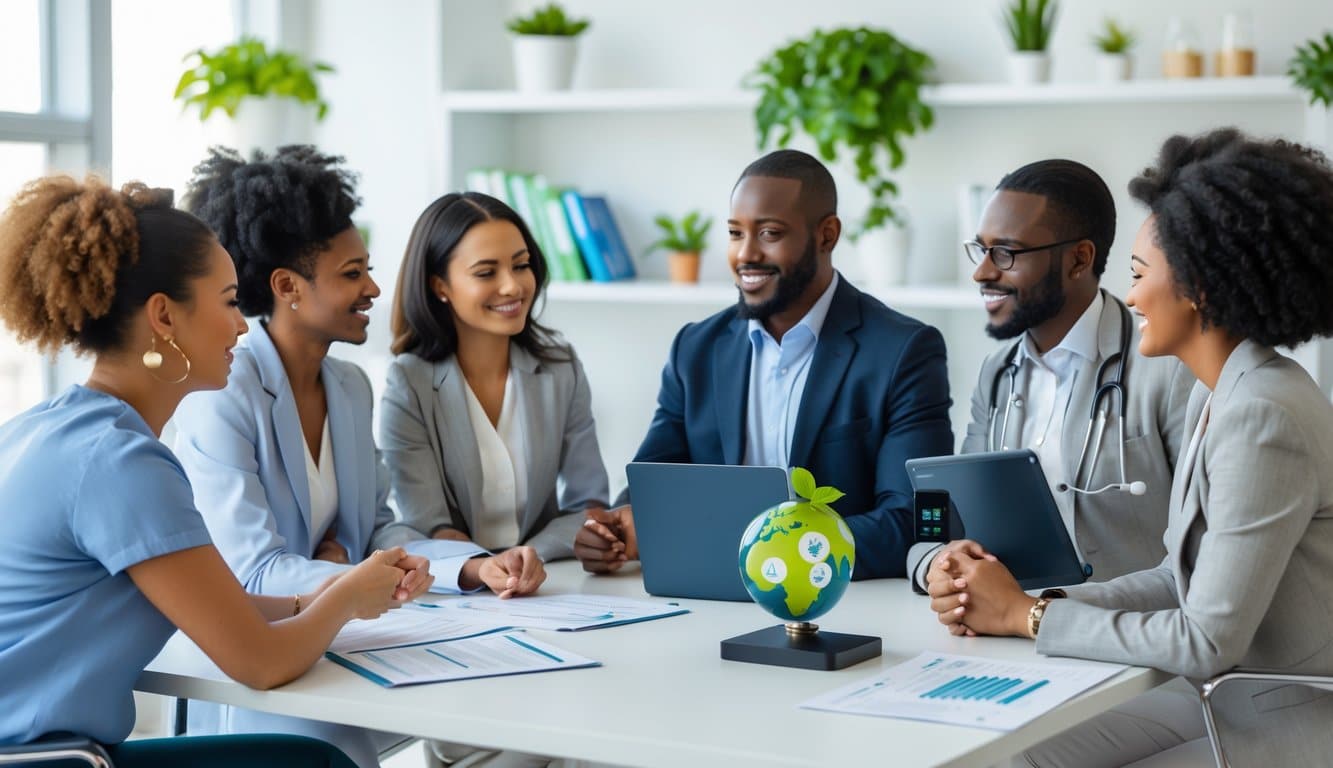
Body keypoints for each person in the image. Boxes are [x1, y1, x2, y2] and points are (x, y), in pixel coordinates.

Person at [927, 128, 1333, 767]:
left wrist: (1029, 618)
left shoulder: (1263, 416)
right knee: (1017, 757)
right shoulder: (1232, 391)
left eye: (1141, 275)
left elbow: (1205, 639)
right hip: (1218, 694)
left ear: (1200, 287)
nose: (1132, 296)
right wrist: (1023, 603)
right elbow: (1178, 576)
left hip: (1274, 714)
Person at [0, 175, 423, 766]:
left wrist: (314, 599)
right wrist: (348, 596)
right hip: (48, 762)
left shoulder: (46, 430)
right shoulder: (121, 463)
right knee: (321, 760)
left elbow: (210, 602)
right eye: (228, 302)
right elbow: (261, 663)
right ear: (164, 318)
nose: (242, 325)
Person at [172, 147, 542, 768]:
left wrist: (474, 567)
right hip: (265, 671)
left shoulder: (348, 386)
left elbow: (378, 528)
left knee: (510, 732)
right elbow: (252, 576)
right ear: (287, 287)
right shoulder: (224, 393)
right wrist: (357, 578)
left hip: (354, 645)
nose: (373, 288)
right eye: (352, 274)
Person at [575, 149, 954, 579]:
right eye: (736, 234)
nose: (745, 255)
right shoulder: (696, 348)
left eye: (770, 233)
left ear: (826, 236)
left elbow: (911, 521)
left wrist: (757, 548)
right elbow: (652, 491)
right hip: (703, 596)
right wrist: (613, 531)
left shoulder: (903, 350)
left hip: (839, 603)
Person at [904, 159, 1194, 590]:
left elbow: (1203, 551)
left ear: (1079, 259)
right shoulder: (997, 372)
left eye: (1006, 253)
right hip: (1009, 631)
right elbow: (948, 525)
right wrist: (938, 567)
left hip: (1127, 634)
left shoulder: (1169, 367)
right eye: (980, 250)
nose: (982, 272)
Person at [381, 192, 610, 563]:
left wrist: (530, 556)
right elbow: (430, 526)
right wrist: (486, 568)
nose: (513, 286)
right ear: (440, 286)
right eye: (486, 272)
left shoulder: (560, 368)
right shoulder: (408, 382)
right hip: (449, 590)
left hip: (547, 578)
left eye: (521, 265)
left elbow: (589, 504)